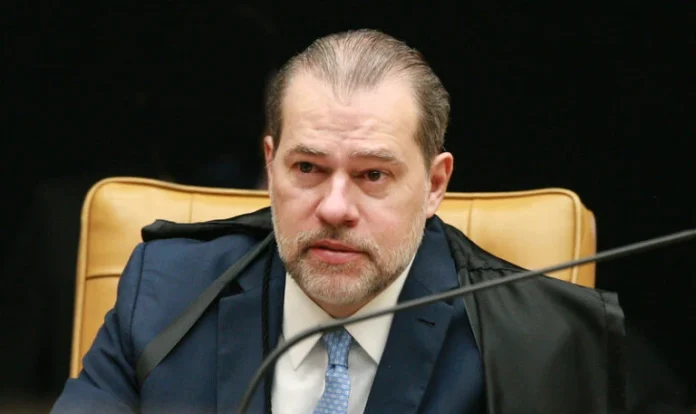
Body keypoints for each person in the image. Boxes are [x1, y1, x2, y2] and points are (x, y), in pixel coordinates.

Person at [52, 29, 627, 413]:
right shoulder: (164, 291)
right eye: (307, 167)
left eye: (373, 175)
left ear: (434, 185)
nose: (334, 207)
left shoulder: (536, 341)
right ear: (270, 165)